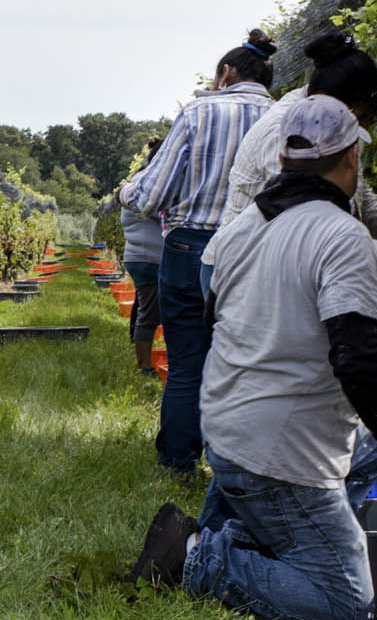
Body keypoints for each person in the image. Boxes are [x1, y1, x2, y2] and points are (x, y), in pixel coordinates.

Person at [129, 94, 377, 620]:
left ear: (282, 159)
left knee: (374, 451)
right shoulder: (341, 236)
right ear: (352, 158)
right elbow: (359, 363)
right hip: (278, 455)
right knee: (346, 606)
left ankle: (247, 533)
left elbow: (222, 327)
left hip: (228, 434)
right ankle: (196, 557)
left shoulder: (240, 230)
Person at [116, 29, 276, 471]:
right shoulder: (284, 117)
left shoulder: (200, 111)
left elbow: (152, 195)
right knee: (249, 364)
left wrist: (126, 191)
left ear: (226, 72)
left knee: (187, 362)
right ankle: (240, 467)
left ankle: (179, 461)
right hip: (259, 250)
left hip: (192, 246)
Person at [208, 29, 377, 252]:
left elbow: (351, 189)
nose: (363, 127)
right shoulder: (285, 132)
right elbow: (308, 227)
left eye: (368, 118)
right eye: (360, 117)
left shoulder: (332, 120)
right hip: (244, 259)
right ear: (329, 100)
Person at [121, 136, 165, 376]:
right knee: (150, 312)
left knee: (146, 307)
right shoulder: (152, 184)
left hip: (137, 255)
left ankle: (146, 363)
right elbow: (160, 213)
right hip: (150, 256)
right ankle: (145, 367)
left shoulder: (137, 180)